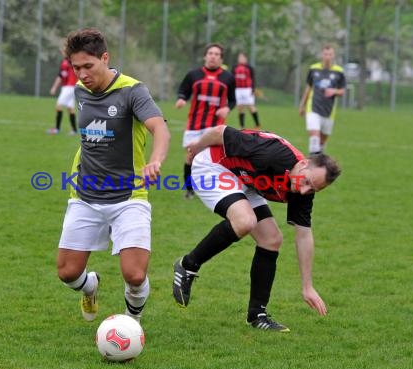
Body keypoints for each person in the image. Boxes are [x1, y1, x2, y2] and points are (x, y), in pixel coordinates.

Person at [172, 125, 341, 332]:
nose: (303, 189)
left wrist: (307, 286)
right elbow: (221, 132)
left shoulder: (304, 191)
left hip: (246, 182)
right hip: (213, 167)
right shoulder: (272, 153)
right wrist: (195, 149)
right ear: (303, 164)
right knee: (245, 221)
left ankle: (257, 315)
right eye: (306, 181)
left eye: (312, 189)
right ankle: (188, 265)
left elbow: (304, 235)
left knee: (271, 239)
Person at [55, 28, 171, 323]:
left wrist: (155, 160)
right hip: (84, 194)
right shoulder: (80, 92)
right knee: (67, 273)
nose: (81, 74)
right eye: (76, 67)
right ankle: (90, 286)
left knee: (134, 275)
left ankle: (131, 321)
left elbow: (160, 128)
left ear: (105, 58)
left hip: (128, 195)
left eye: (88, 66)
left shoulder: (133, 91)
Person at [175, 43, 236, 200]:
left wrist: (227, 109)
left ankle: (214, 188)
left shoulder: (228, 77)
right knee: (190, 157)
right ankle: (189, 190)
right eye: (210, 53)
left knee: (215, 159)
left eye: (217, 54)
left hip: (215, 127)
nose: (213, 56)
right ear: (205, 56)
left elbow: (233, 100)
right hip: (195, 124)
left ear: (221, 58)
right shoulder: (193, 75)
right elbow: (183, 90)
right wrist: (181, 99)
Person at [298, 45, 346, 155]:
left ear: (333, 56)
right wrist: (302, 105)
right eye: (325, 54)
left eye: (330, 54)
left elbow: (342, 91)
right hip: (313, 108)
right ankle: (312, 163)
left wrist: (334, 91)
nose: (327, 57)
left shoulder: (339, 71)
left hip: (329, 111)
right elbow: (308, 88)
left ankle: (319, 161)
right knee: (314, 138)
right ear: (322, 55)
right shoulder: (314, 69)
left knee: (322, 142)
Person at [47, 57, 78, 135]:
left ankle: (57, 129)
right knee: (70, 108)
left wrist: (54, 88)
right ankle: (74, 130)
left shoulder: (68, 61)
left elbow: (61, 76)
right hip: (71, 87)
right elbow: (61, 75)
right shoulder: (68, 61)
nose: (62, 51)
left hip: (68, 87)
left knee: (58, 106)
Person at [232, 52, 260, 129]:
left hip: (247, 89)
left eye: (242, 57)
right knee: (240, 107)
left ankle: (257, 124)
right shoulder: (235, 67)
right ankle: (242, 126)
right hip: (238, 89)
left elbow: (253, 79)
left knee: (250, 106)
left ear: (246, 58)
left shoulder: (249, 68)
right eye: (239, 57)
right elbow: (232, 78)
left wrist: (253, 89)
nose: (240, 59)